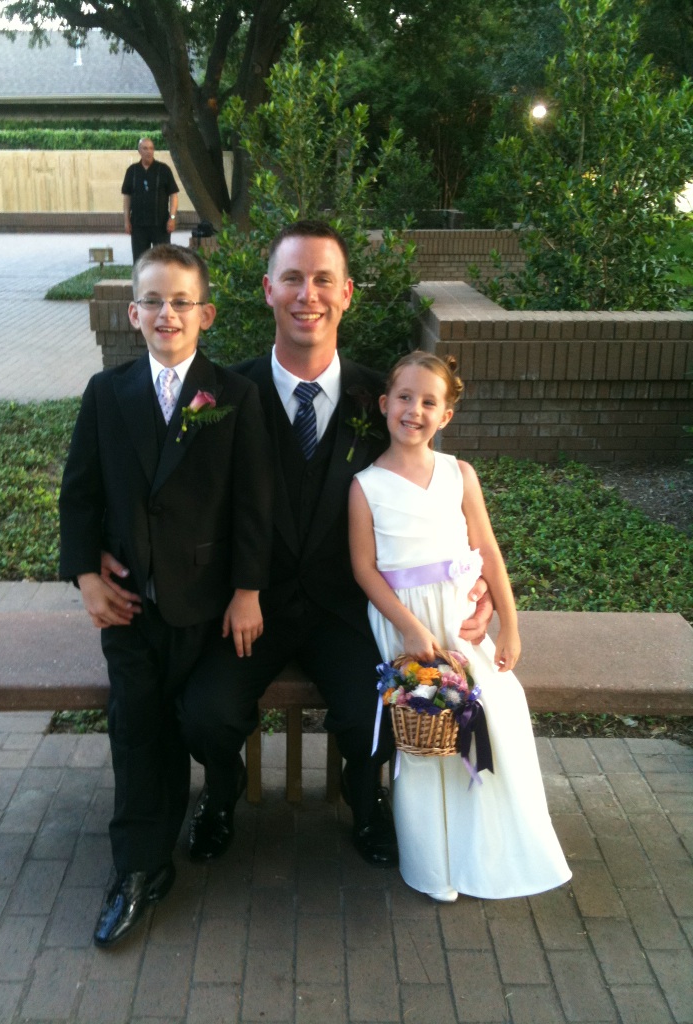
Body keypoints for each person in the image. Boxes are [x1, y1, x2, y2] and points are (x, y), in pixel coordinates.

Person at [174, 220, 494, 868]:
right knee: (204, 713)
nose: (307, 294)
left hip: (348, 609)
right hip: (249, 608)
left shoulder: (386, 399)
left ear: (347, 293)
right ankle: (223, 790)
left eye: (323, 279)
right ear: (268, 289)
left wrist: (475, 584)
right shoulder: (223, 396)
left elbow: (431, 499)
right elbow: (187, 502)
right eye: (292, 278)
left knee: (370, 716)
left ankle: (365, 799)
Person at [58, 244, 272, 948]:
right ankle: (141, 870)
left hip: (210, 609)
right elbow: (80, 496)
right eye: (153, 300)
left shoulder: (233, 397)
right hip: (131, 609)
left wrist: (247, 590)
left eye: (181, 301)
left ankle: (222, 782)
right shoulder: (106, 394)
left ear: (206, 314)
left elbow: (251, 506)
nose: (167, 313)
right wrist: (88, 575)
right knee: (136, 728)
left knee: (202, 718)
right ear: (133, 312)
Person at [348, 351, 571, 901]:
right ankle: (433, 861)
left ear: (446, 416)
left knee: (495, 712)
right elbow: (364, 568)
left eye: (429, 402)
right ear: (384, 404)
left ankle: (488, 845)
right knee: (426, 726)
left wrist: (510, 624)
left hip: (461, 618)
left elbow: (487, 553)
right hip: (406, 623)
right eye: (404, 397)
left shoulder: (458, 474)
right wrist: (409, 629)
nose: (414, 410)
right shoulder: (366, 486)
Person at [121, 137, 180, 263]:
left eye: (151, 148)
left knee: (163, 260)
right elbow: (127, 197)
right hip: (138, 226)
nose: (149, 151)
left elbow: (173, 195)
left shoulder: (163, 170)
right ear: (139, 151)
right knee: (140, 262)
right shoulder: (132, 171)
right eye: (145, 148)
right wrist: (126, 220)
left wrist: (172, 218)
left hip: (161, 225)